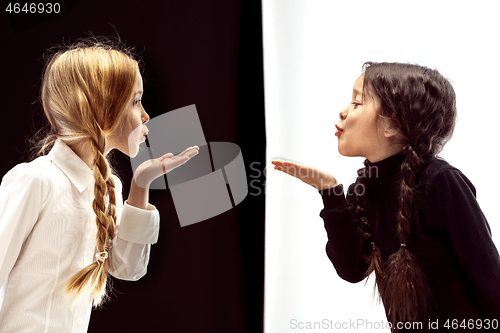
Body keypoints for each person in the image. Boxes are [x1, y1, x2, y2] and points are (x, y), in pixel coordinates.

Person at [272, 62, 500, 332]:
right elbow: (352, 269)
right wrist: (330, 191)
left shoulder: (441, 181)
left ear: (392, 123)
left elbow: (490, 279)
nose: (343, 112)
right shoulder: (365, 188)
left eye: (357, 103)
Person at [0, 38, 199, 332]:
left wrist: (141, 183)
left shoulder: (111, 188)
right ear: (104, 107)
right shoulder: (36, 180)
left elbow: (128, 269)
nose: (145, 115)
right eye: (135, 101)